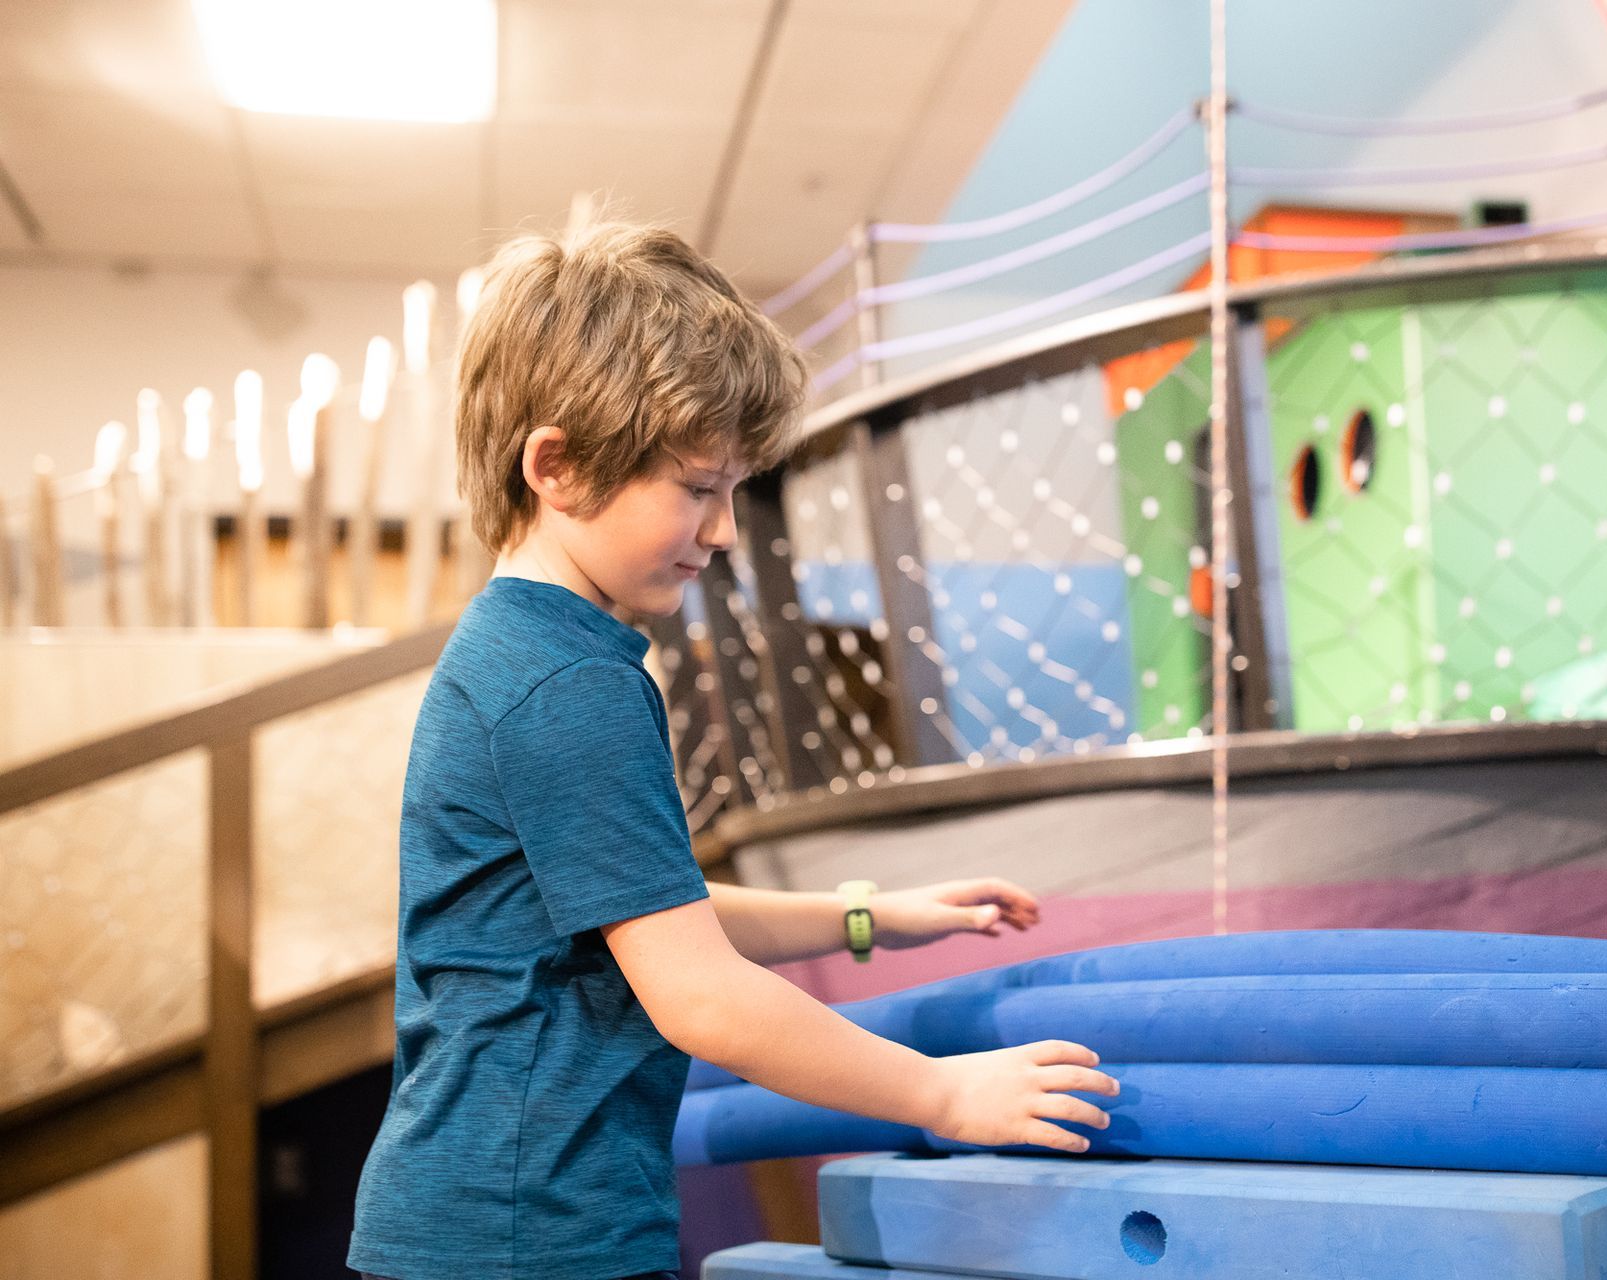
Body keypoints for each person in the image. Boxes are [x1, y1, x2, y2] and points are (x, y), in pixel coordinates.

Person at [347, 222, 1117, 1280]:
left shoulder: (525, 649)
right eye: (698, 487)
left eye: (733, 492)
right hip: (526, 1234)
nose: (721, 531)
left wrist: (868, 915)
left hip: (487, 1215)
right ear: (557, 466)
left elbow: (653, 913)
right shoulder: (570, 683)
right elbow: (698, 992)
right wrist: (945, 1091)